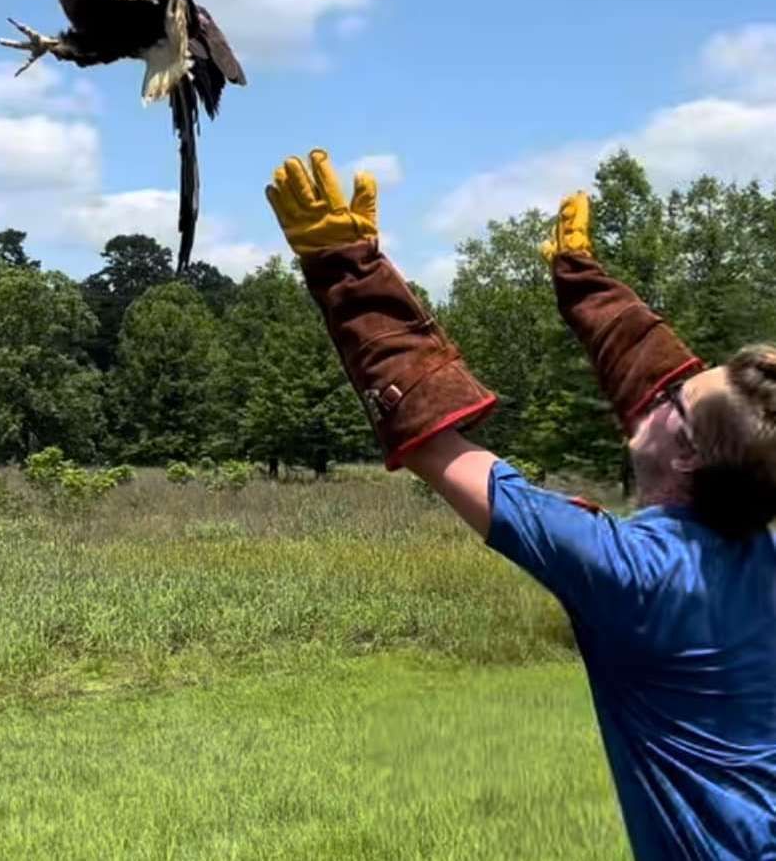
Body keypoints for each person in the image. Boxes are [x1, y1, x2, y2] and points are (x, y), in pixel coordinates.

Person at [265, 148, 776, 860]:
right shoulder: (757, 543)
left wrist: (347, 276)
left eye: (677, 397)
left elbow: (437, 446)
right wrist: (588, 287)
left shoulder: (632, 573)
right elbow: (673, 392)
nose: (662, 388)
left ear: (689, 455)